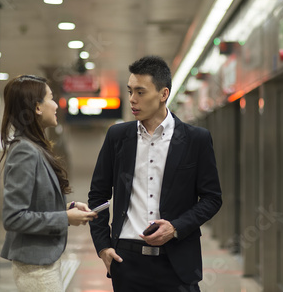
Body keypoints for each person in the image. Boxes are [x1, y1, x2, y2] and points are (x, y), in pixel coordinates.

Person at [88, 55, 222, 291]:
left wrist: (176, 227)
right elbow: (98, 196)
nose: (132, 100)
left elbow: (212, 199)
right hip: (127, 262)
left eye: (140, 92)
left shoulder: (195, 139)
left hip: (177, 261)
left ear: (163, 94)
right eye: (130, 91)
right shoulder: (118, 137)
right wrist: (103, 246)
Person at [0, 75, 97, 292]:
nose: (56, 104)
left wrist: (67, 209)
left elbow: (35, 204)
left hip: (43, 262)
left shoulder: (34, 147)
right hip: (35, 267)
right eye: (51, 98)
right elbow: (13, 217)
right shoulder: (25, 151)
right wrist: (65, 218)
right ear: (37, 108)